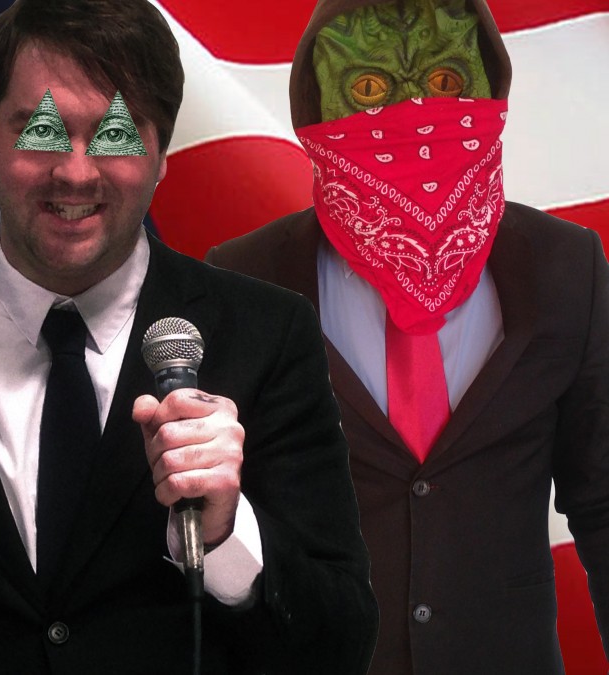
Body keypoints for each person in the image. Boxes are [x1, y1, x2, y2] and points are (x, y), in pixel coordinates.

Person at [0, 0, 378, 672]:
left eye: (117, 134)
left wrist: (227, 534)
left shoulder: (269, 335)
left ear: (160, 152)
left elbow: (340, 642)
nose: (76, 171)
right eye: (41, 130)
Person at [206, 0, 609, 672]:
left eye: (446, 82)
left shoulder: (565, 266)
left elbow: (602, 500)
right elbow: (220, 519)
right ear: (315, 108)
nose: (414, 112)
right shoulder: (244, 277)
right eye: (369, 88)